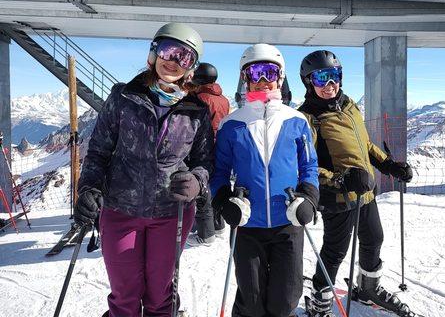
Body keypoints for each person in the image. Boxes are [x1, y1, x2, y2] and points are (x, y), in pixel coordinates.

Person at [73, 23, 214, 317]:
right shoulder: (123, 98)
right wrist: (88, 189)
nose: (173, 61)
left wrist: (197, 182)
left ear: (191, 68)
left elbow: (205, 161)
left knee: (161, 297)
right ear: (153, 53)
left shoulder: (197, 111)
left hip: (171, 213)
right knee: (124, 296)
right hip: (121, 210)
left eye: (184, 57)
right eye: (167, 50)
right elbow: (98, 151)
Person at [298, 50, 414, 317]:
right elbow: (305, 166)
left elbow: (366, 146)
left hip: (365, 193)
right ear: (308, 82)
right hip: (336, 197)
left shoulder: (349, 106)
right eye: (322, 78)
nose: (330, 84)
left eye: (335, 75)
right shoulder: (307, 118)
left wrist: (389, 165)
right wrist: (340, 179)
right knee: (335, 252)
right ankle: (320, 299)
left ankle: (367, 288)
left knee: (374, 238)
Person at [210, 43, 319, 317]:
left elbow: (309, 166)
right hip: (248, 224)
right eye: (254, 72)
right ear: (244, 77)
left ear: (280, 77)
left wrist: (309, 199)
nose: (262, 79)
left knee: (285, 300)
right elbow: (219, 172)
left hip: (288, 223)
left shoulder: (297, 121)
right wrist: (225, 202)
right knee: (253, 300)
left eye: (269, 71)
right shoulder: (231, 124)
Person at [184, 62, 230, 247]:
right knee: (216, 183)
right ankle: (218, 225)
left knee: (202, 187)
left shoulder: (200, 99)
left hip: (203, 146)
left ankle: (205, 233)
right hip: (220, 146)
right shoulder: (223, 99)